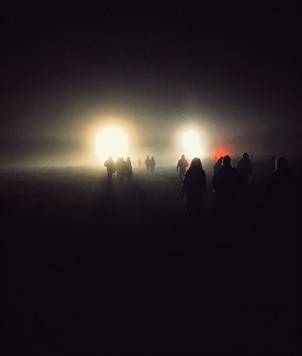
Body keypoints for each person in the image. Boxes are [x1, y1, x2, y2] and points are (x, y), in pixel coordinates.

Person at [212, 155, 242, 220]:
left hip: (222, 194)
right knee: (230, 208)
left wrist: (216, 191)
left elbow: (214, 182)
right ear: (230, 162)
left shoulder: (220, 172)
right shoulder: (234, 172)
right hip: (231, 194)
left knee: (221, 210)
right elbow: (239, 182)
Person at [182, 157, 206, 223]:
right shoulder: (202, 172)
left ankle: (191, 218)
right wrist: (204, 191)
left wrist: (184, 190)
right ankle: (196, 219)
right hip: (199, 192)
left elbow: (186, 181)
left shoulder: (189, 172)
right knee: (198, 206)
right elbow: (203, 183)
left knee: (189, 206)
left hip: (191, 192)